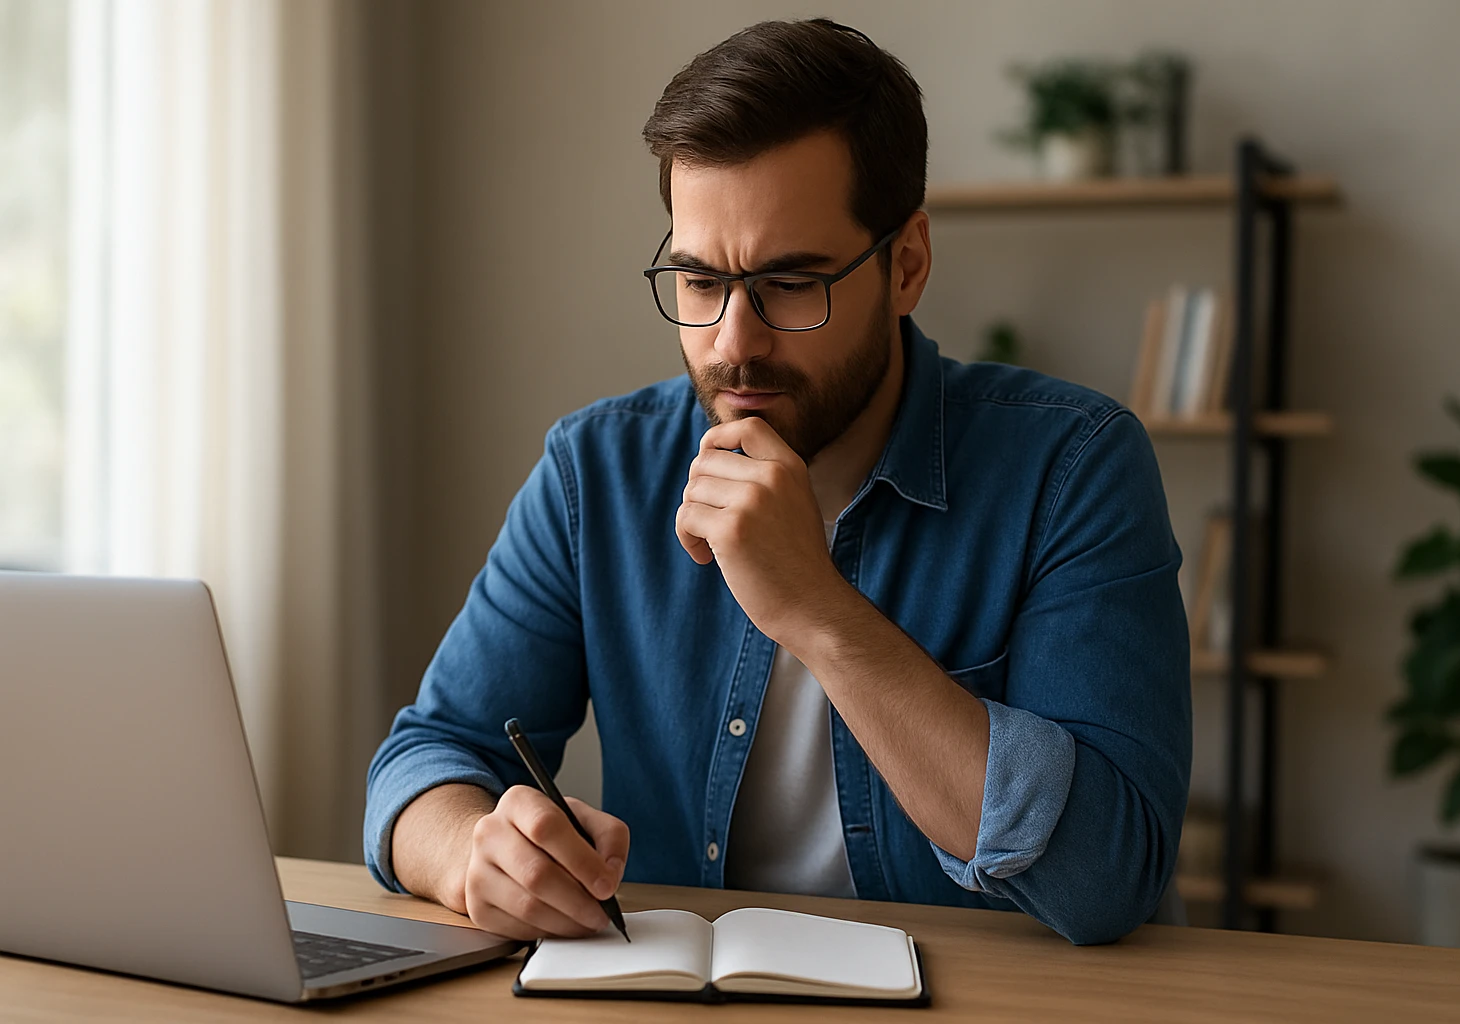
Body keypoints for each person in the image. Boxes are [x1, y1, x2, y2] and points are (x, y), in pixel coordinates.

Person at [364, 17, 1190, 947]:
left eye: (792, 284)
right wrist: (471, 854)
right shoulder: (597, 472)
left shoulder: (1073, 468)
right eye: (698, 281)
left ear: (907, 265)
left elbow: (1107, 876)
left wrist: (814, 608)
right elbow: (425, 758)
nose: (733, 342)